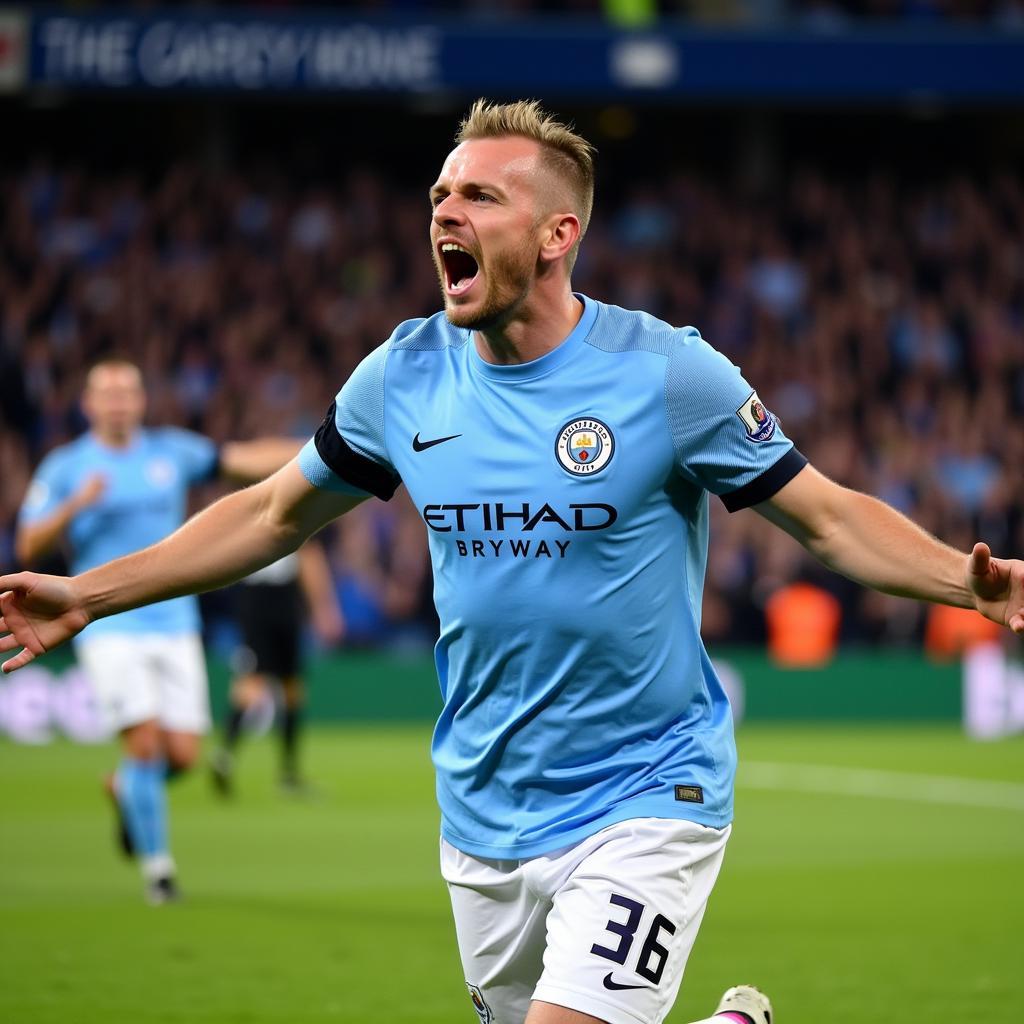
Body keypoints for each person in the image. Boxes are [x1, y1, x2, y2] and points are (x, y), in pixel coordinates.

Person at [2, 101, 1022, 1024]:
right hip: (482, 805)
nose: (445, 212)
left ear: (554, 234)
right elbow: (272, 515)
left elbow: (829, 519)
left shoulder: (666, 373)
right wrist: (87, 595)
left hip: (645, 787)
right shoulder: (402, 375)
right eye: (439, 193)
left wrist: (961, 583)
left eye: (479, 195)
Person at [13, 358, 298, 904]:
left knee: (183, 755)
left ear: (141, 401)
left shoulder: (170, 451)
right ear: (88, 403)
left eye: (128, 392)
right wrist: (76, 504)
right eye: (108, 393)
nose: (119, 402)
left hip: (174, 619)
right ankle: (159, 871)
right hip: (104, 622)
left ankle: (124, 788)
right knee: (143, 745)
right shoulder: (66, 466)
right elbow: (29, 546)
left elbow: (241, 459)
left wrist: (329, 447)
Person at [211, 541, 344, 797]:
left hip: (251, 597)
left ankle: (225, 754)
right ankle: (288, 773)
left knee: (255, 678)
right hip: (281, 598)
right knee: (289, 686)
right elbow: (309, 552)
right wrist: (324, 608)